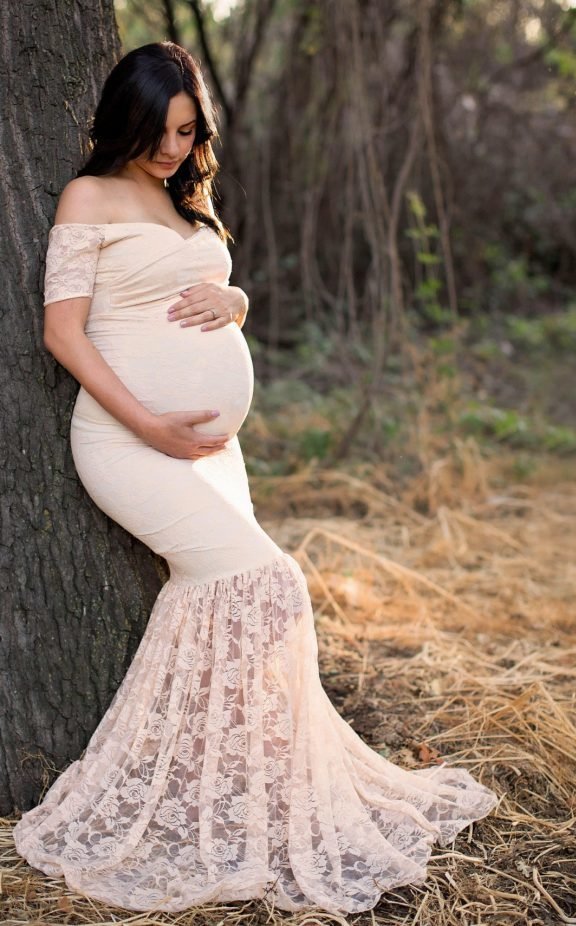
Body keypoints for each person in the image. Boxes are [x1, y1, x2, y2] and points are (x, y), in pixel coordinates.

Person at [13, 41, 498, 915]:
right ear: (125, 120)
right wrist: (152, 422)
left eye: (187, 131)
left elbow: (213, 290)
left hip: (207, 451)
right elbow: (65, 334)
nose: (171, 148)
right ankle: (196, 795)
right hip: (127, 442)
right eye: (159, 131)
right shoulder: (88, 196)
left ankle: (244, 782)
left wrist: (235, 303)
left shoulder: (180, 196)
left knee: (253, 594)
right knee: (267, 583)